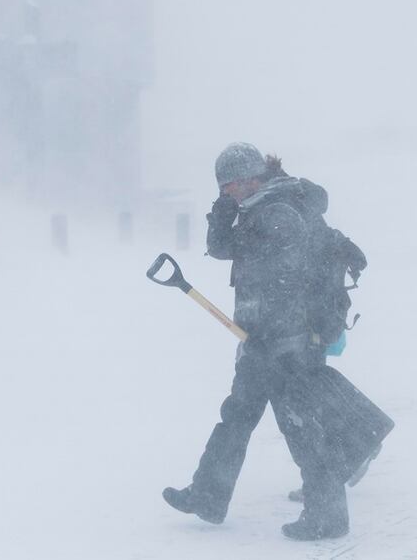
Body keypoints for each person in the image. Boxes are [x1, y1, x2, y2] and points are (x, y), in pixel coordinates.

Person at [162, 142, 351, 540]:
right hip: (263, 339)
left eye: (228, 186)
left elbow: (286, 282)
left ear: (249, 179)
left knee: (301, 425)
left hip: (287, 343)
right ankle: (208, 495)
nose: (225, 192)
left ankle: (328, 515)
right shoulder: (257, 208)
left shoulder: (279, 213)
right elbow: (222, 248)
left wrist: (272, 337)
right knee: (237, 416)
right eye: (222, 187)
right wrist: (223, 208)